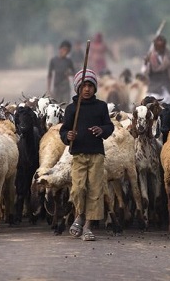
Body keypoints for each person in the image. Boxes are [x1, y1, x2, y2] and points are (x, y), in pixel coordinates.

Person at [59, 69, 114, 241]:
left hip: (96, 154)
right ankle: (80, 215)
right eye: (84, 86)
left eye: (90, 85)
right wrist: (68, 136)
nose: (87, 89)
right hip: (78, 154)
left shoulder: (101, 107)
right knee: (78, 188)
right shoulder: (71, 109)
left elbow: (109, 126)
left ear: (95, 88)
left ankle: (88, 226)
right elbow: (64, 130)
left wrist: (102, 129)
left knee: (95, 189)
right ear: (78, 88)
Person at [143, 34, 170, 105]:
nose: (160, 47)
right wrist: (146, 62)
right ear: (155, 46)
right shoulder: (149, 56)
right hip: (154, 88)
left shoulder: (169, 55)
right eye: (158, 45)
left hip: (166, 87)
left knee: (168, 108)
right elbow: (144, 71)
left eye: (161, 45)